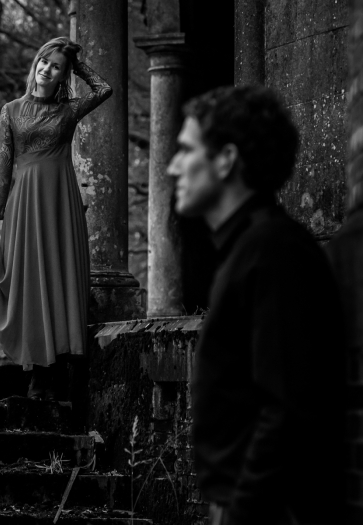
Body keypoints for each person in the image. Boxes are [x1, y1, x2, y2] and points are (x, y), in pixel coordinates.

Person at [167, 86, 346, 525]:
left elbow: (288, 409)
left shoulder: (274, 251)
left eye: (186, 149)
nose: (172, 167)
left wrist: (242, 510)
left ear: (226, 160)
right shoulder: (250, 248)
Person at [0, 37, 112, 401]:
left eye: (56, 67)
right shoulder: (11, 110)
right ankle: (37, 370)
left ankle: (60, 366)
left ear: (62, 75)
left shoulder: (69, 110)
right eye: (44, 62)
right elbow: (2, 165)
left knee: (58, 273)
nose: (47, 70)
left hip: (59, 200)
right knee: (29, 276)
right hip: (24, 201)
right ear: (36, 64)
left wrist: (77, 61)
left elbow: (105, 89)